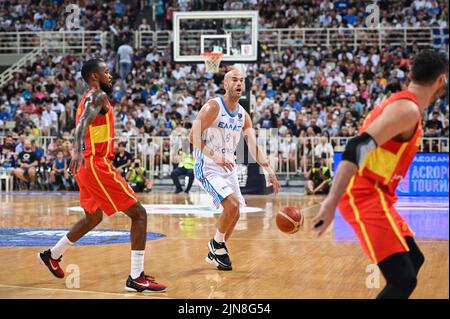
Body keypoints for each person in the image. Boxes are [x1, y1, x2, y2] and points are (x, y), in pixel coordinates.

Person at [312, 50, 448, 299]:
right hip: (362, 193)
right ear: (441, 80)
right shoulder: (407, 110)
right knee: (403, 280)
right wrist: (330, 202)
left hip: (379, 194)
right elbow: (355, 147)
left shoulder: (406, 105)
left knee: (414, 260)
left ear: (411, 74)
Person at [37, 59, 166, 293]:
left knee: (92, 218)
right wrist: (76, 151)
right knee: (139, 214)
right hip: (96, 163)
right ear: (94, 77)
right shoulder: (97, 96)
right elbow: (80, 127)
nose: (110, 75)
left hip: (87, 166)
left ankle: (52, 254)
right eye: (105, 71)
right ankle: (136, 277)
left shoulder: (89, 98)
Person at [189, 67, 279, 271]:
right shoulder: (213, 106)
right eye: (234, 80)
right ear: (225, 84)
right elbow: (191, 137)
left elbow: (254, 146)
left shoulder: (243, 115)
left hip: (228, 167)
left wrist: (269, 170)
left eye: (242, 80)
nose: (239, 84)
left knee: (236, 211)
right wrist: (216, 156)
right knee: (231, 205)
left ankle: (216, 247)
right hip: (208, 166)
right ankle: (216, 245)